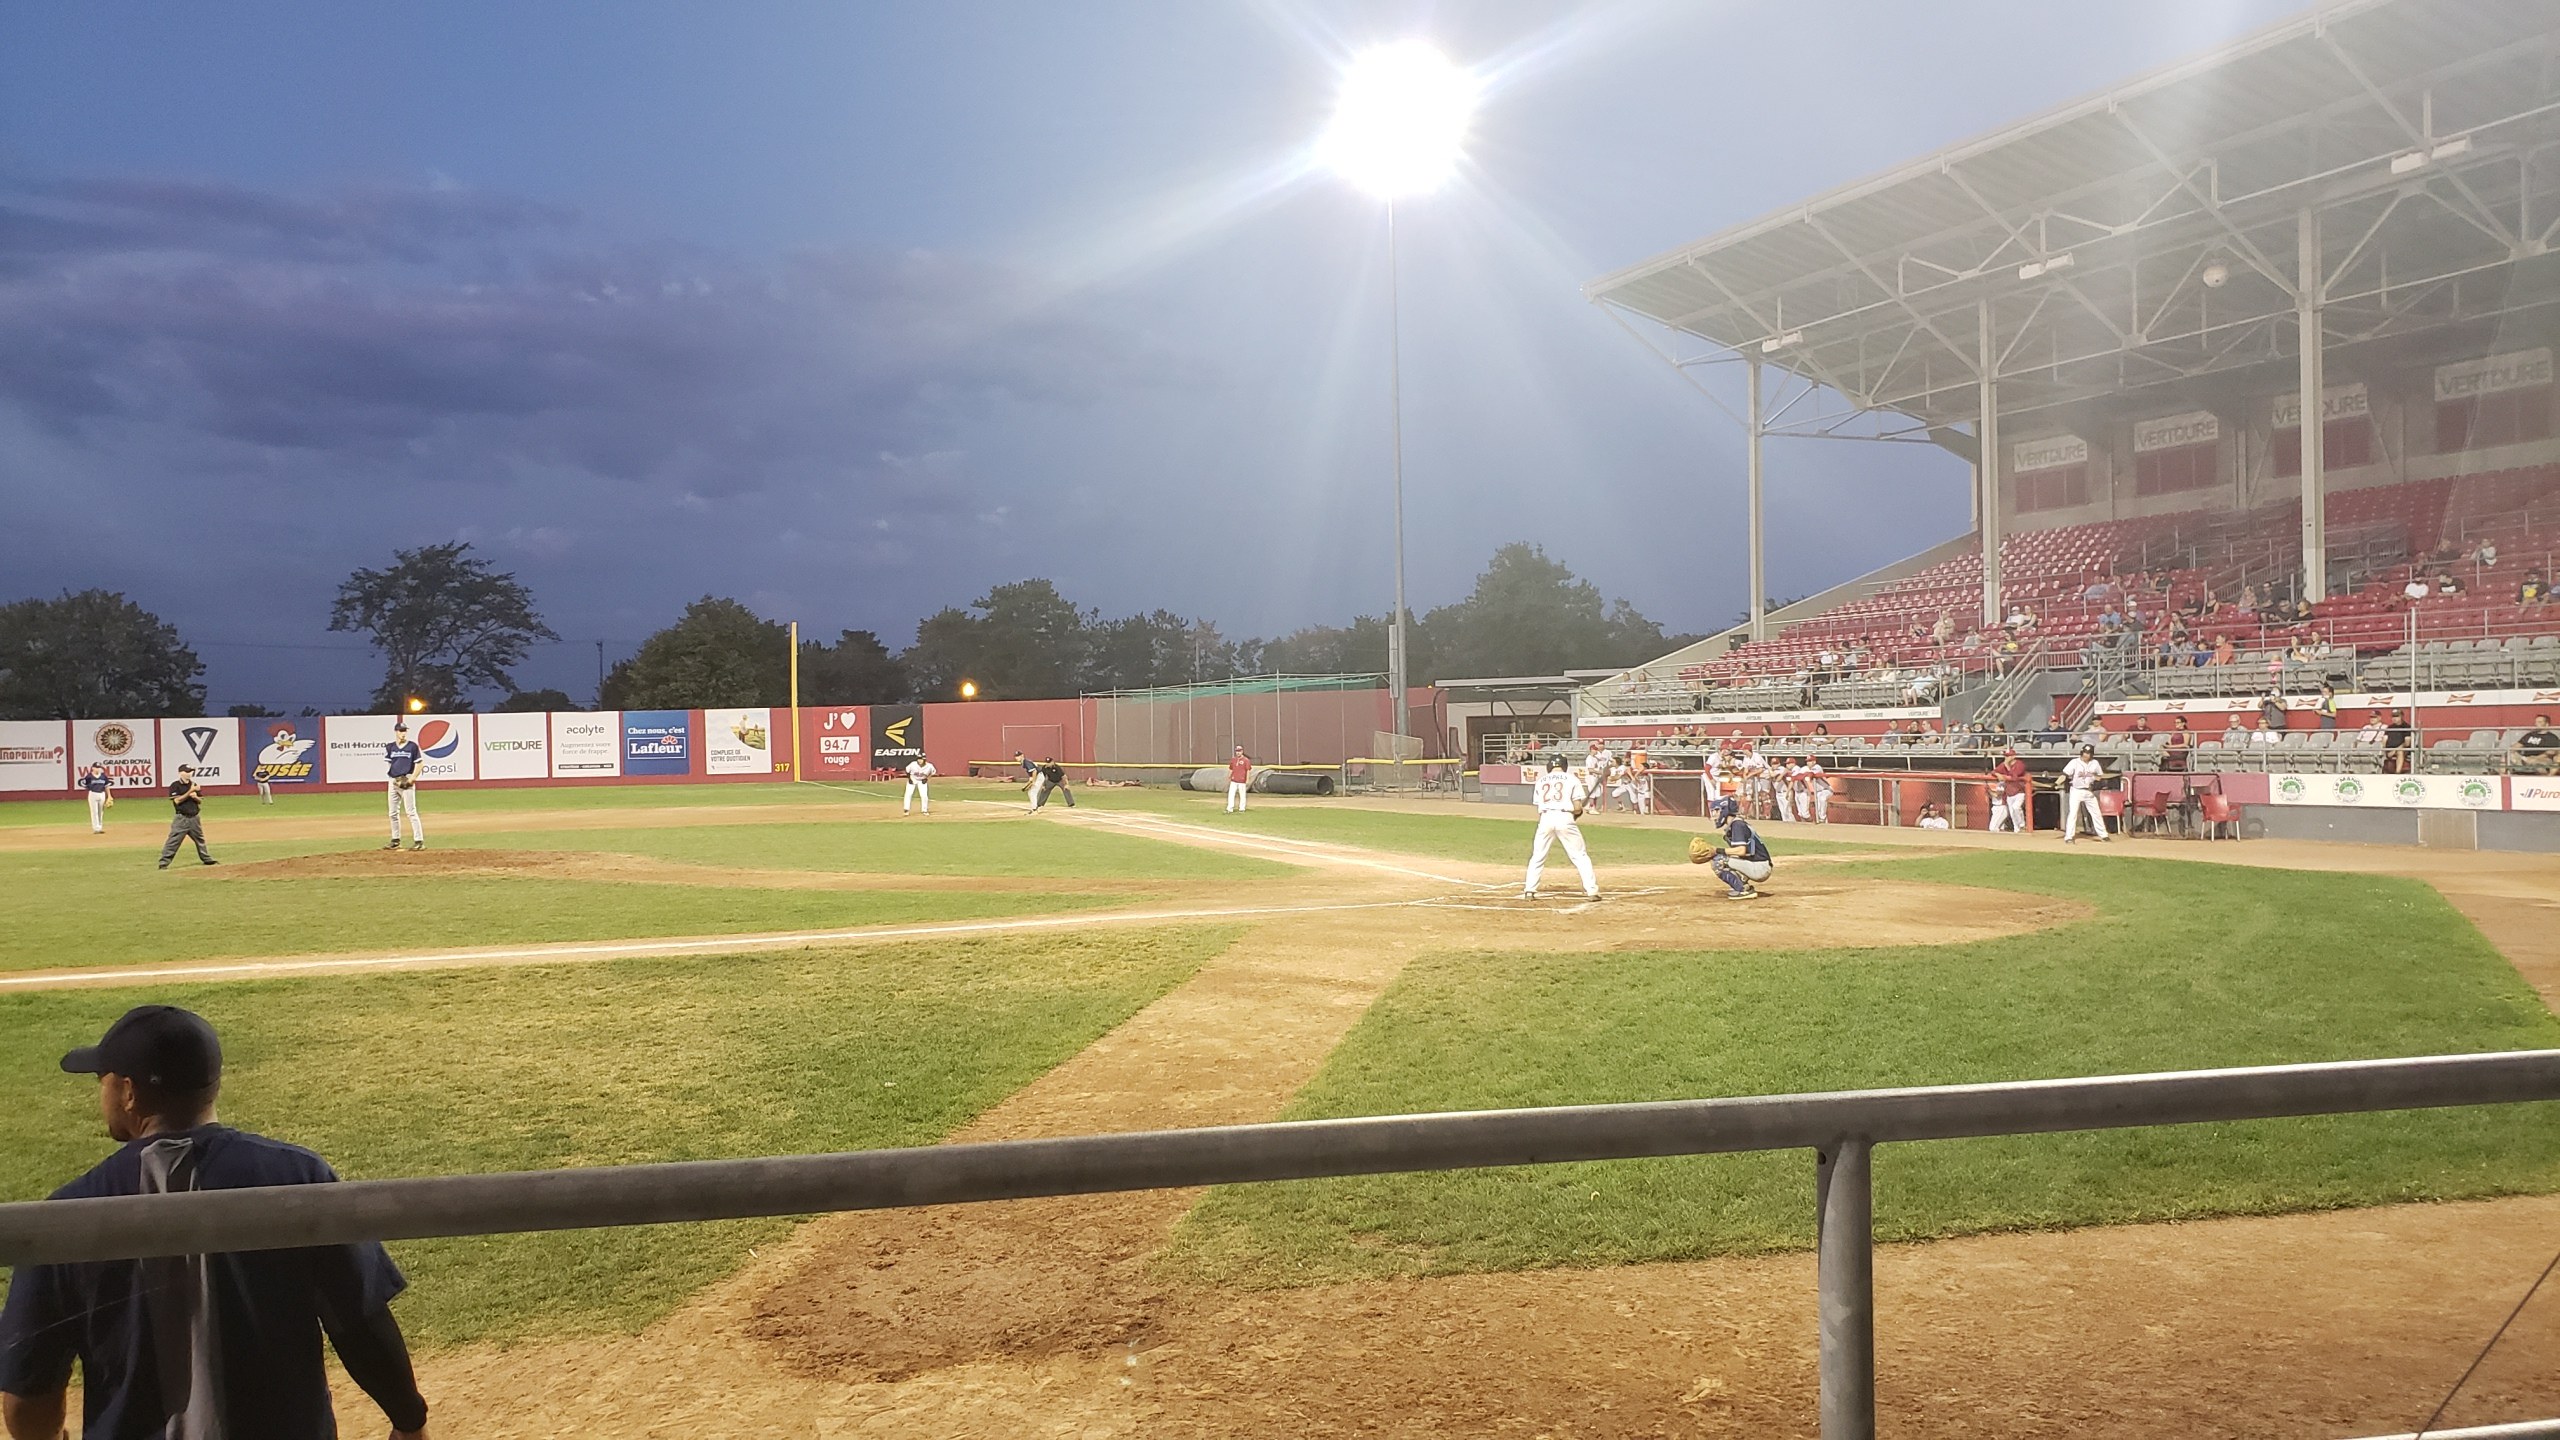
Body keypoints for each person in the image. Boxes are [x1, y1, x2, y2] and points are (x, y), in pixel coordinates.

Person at [0, 1005, 429, 1440]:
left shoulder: (66, 1214)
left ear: (129, 1092)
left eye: (103, 1080)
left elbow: (27, 1398)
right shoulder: (296, 1178)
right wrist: (409, 1423)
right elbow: (360, 1325)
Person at [1521, 754, 1599, 902]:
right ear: (1565, 766)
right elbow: (1577, 807)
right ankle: (1592, 891)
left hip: (1545, 818)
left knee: (1538, 856)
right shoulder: (1572, 779)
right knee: (1580, 856)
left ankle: (1529, 890)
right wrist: (1578, 812)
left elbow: (1539, 803)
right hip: (1565, 817)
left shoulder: (1541, 780)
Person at [1691, 796, 1773, 901]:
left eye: (1717, 811)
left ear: (1725, 810)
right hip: (1759, 864)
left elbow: (1741, 851)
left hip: (1760, 868)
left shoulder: (1737, 825)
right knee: (1722, 857)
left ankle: (1742, 890)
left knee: (1718, 860)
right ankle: (1742, 881)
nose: (1715, 815)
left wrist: (1716, 851)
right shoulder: (1736, 824)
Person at [155, 764, 218, 870]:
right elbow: (177, 800)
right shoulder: (175, 785)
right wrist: (190, 792)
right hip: (182, 818)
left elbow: (200, 801)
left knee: (200, 840)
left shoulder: (194, 784)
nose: (189, 774)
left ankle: (207, 859)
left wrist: (196, 797)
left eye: (190, 772)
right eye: (187, 772)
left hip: (194, 817)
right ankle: (163, 863)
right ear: (180, 773)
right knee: (174, 841)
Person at [383, 720, 425, 852]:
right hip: (393, 781)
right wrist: (394, 779)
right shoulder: (390, 747)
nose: (403, 733)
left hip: (406, 780)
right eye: (401, 731)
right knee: (392, 813)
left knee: (411, 812)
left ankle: (419, 841)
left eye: (405, 730)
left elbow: (420, 764)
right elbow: (390, 765)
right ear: (396, 732)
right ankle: (395, 840)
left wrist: (411, 780)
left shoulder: (412, 746)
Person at [2060, 744, 2110, 843]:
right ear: (2082, 752)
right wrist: (2058, 782)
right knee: (2073, 813)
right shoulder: (2074, 762)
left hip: (2088, 791)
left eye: (2089, 753)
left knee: (2096, 813)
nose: (2086, 755)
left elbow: (2100, 776)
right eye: (2085, 753)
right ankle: (2069, 837)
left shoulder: (2095, 763)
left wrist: (2091, 775)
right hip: (2076, 790)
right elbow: (2065, 774)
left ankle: (2103, 835)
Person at [1989, 747, 2030, 833]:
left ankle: (2022, 825)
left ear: (2013, 756)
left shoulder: (2020, 764)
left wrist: (2007, 766)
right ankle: (2017, 830)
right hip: (2009, 792)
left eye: (2008, 756)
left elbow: (2014, 777)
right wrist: (1997, 774)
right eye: (2006, 756)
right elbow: (1993, 771)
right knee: (2012, 813)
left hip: (2019, 791)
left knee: (2016, 808)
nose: (2006, 758)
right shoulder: (2003, 764)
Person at [79, 761, 113, 835]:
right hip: (93, 794)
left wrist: (109, 796)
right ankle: (96, 828)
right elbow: (85, 785)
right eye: (96, 768)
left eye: (99, 768)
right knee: (94, 811)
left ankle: (100, 827)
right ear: (93, 768)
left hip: (102, 794)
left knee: (101, 811)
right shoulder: (89, 776)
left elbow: (107, 786)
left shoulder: (103, 776)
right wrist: (90, 788)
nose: (98, 769)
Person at [2382, 709, 2414, 775]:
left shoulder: (2407, 727)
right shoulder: (2389, 727)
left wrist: (2395, 750)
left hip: (2402, 749)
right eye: (2393, 716)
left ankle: (2397, 772)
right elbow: (2384, 740)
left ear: (2402, 716)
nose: (2394, 718)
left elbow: (2407, 743)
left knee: (2400, 752)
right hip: (2389, 750)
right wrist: (2384, 750)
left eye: (2397, 716)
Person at [1224, 746, 1253, 814]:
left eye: (1239, 751)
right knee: (1231, 794)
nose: (1238, 752)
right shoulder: (1233, 759)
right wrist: (1229, 776)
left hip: (1242, 780)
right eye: (1237, 751)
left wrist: (1247, 779)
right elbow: (1231, 768)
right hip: (1234, 780)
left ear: (1242, 751)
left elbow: (1248, 770)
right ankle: (1230, 808)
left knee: (1242, 795)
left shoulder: (1246, 760)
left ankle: (1242, 808)